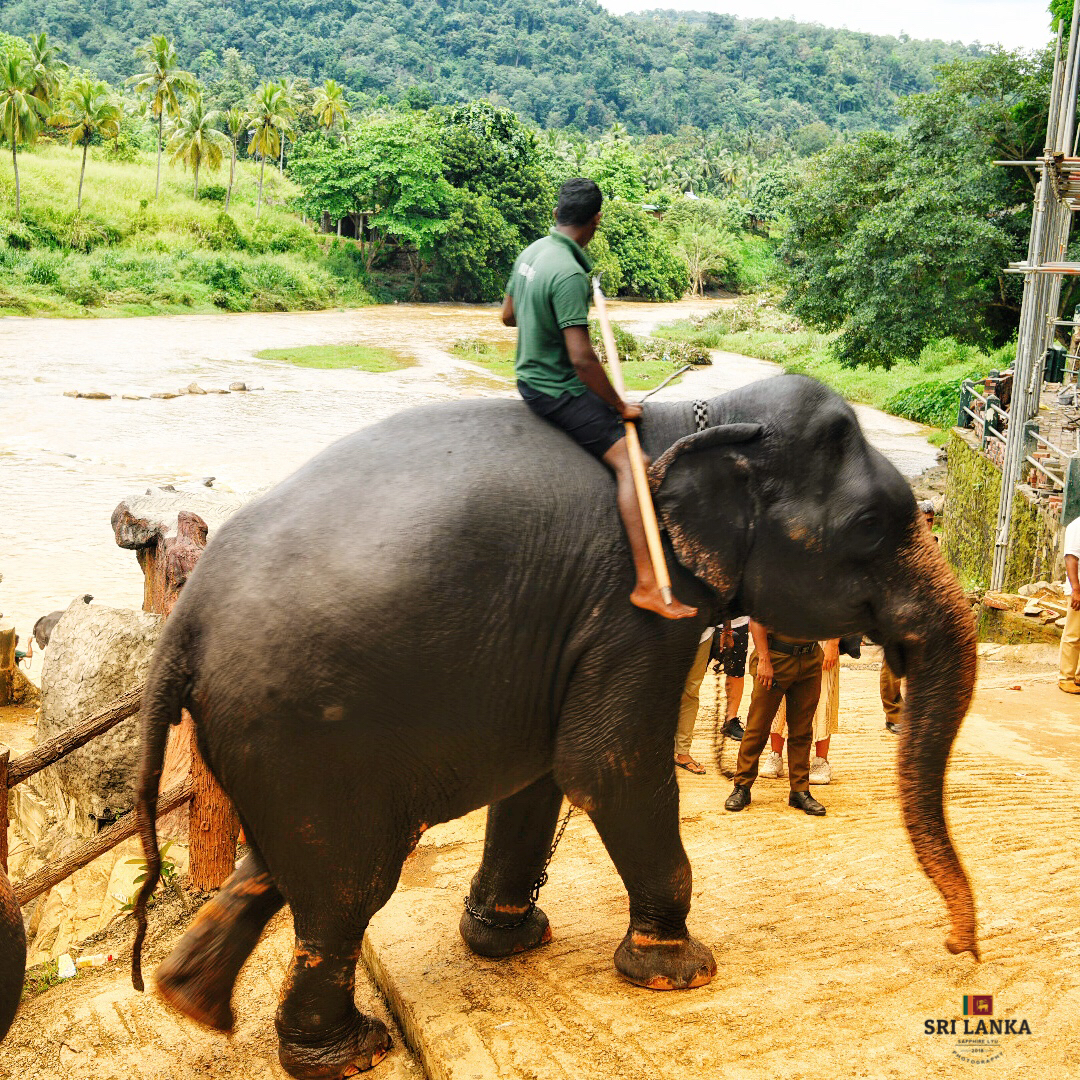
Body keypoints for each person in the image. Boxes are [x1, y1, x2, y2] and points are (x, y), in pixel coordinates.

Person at [503, 178, 697, 620]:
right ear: (596, 220)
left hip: (526, 377)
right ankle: (648, 584)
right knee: (634, 464)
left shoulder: (532, 252)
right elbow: (582, 360)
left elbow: (508, 316)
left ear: (556, 214)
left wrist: (541, 320)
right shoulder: (571, 273)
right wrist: (620, 406)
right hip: (556, 390)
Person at [724, 619, 827, 816]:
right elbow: (757, 618)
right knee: (758, 726)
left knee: (802, 729)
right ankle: (742, 787)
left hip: (810, 657)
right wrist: (763, 658)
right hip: (775, 656)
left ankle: (800, 790)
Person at [882, 500, 936, 729]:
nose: (926, 525)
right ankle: (893, 715)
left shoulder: (933, 545)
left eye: (930, 521)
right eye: (921, 521)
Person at [760, 638, 840, 784]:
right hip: (786, 639)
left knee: (823, 698)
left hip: (822, 638)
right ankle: (775, 755)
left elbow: (841, 614)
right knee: (779, 697)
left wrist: (833, 644)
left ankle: (821, 761)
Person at [674, 626, 715, 774]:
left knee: (691, 692)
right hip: (661, 632)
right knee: (659, 691)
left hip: (702, 634)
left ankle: (683, 752)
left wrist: (726, 630)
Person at [712, 616, 748, 740]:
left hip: (738, 622)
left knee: (736, 672)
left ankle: (730, 720)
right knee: (693, 676)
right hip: (705, 624)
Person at [1058, 513, 1080, 695]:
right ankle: (1066, 678)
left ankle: (1078, 676)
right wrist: (1076, 590)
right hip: (1078, 591)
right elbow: (1071, 558)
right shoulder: (1077, 526)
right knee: (1073, 635)